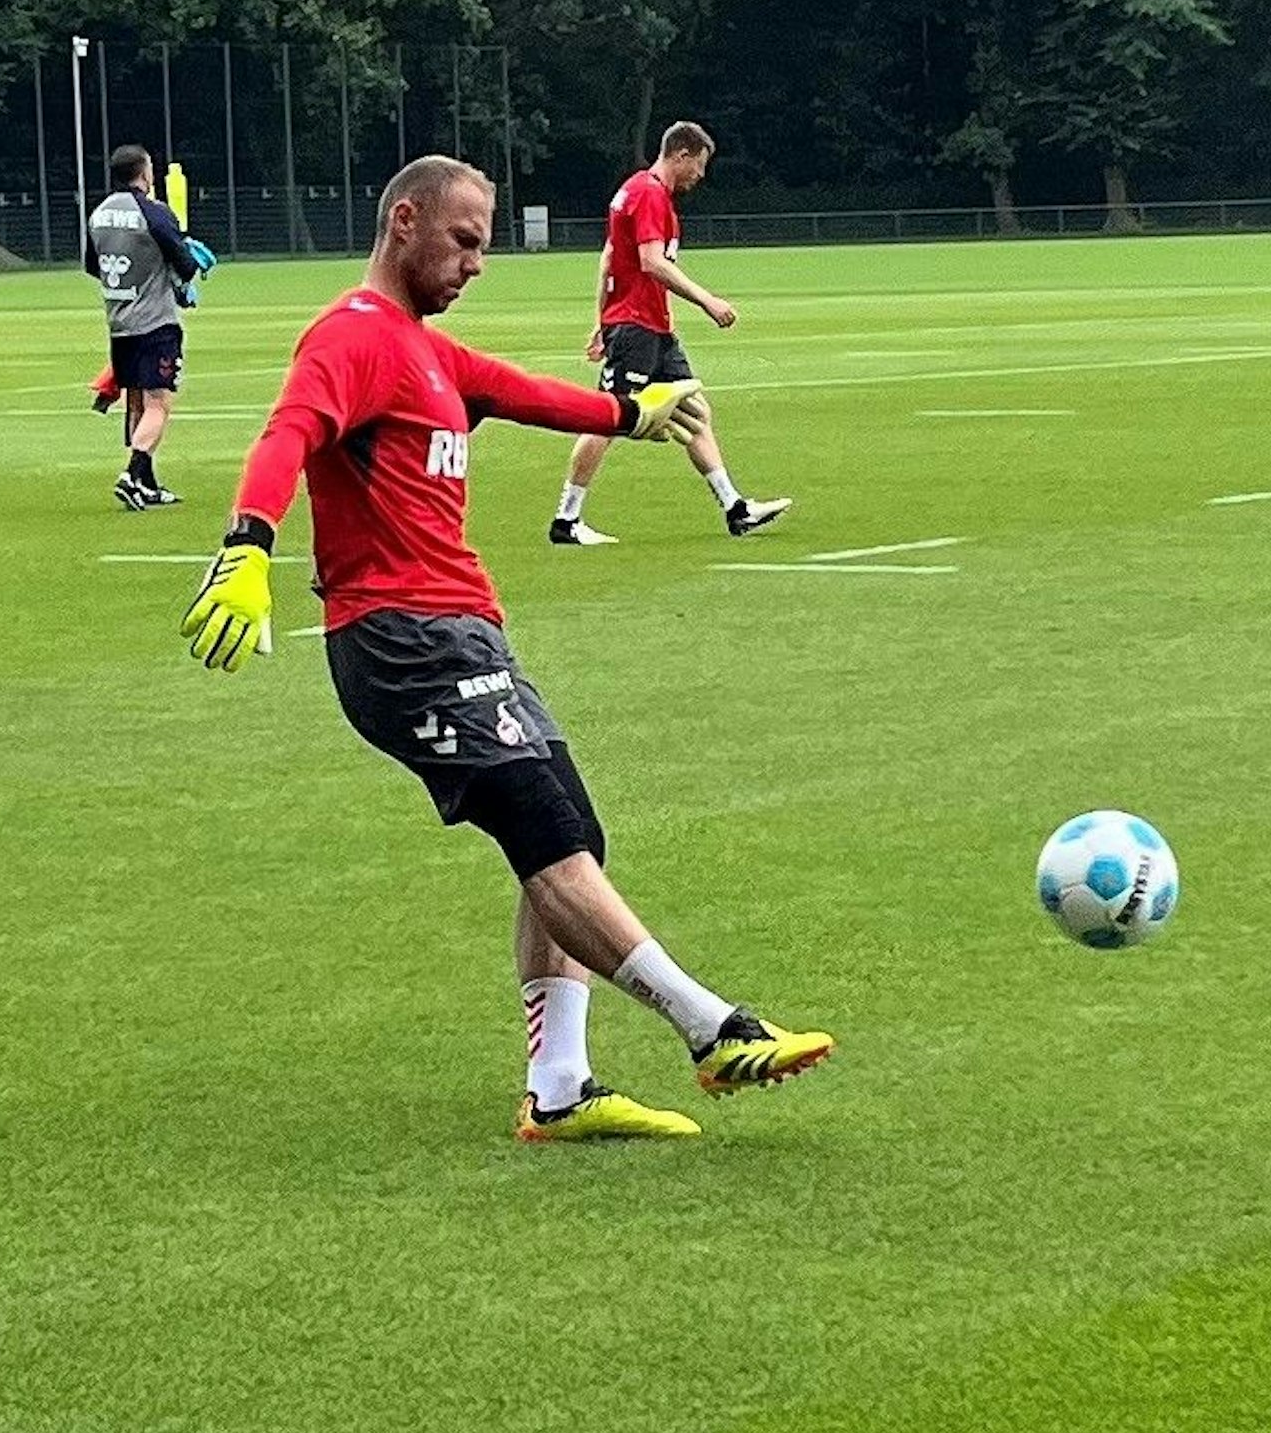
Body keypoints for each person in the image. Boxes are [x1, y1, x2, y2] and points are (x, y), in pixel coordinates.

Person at [178, 156, 834, 1143]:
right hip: (399, 644)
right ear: (405, 222)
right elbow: (289, 434)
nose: (476, 264)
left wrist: (629, 414)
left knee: (570, 837)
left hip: (466, 636)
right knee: (547, 831)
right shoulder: (350, 337)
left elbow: (524, 392)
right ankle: (712, 1029)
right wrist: (247, 545)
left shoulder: (428, 354)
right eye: (464, 241)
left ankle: (560, 1087)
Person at [548, 121, 791, 546]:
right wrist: (707, 300)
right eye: (699, 165)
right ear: (681, 155)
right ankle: (566, 520)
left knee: (695, 412)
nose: (700, 175)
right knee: (608, 417)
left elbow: (609, 257)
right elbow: (652, 262)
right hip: (637, 328)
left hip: (652, 329)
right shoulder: (649, 194)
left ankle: (735, 508)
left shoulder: (635, 190)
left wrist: (602, 320)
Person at [85, 145, 208, 511]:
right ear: (144, 172)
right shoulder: (154, 213)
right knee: (159, 403)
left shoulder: (99, 213)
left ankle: (147, 483)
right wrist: (188, 262)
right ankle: (132, 473)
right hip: (155, 322)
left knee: (136, 400)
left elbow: (92, 265)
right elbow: (185, 265)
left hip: (119, 322)